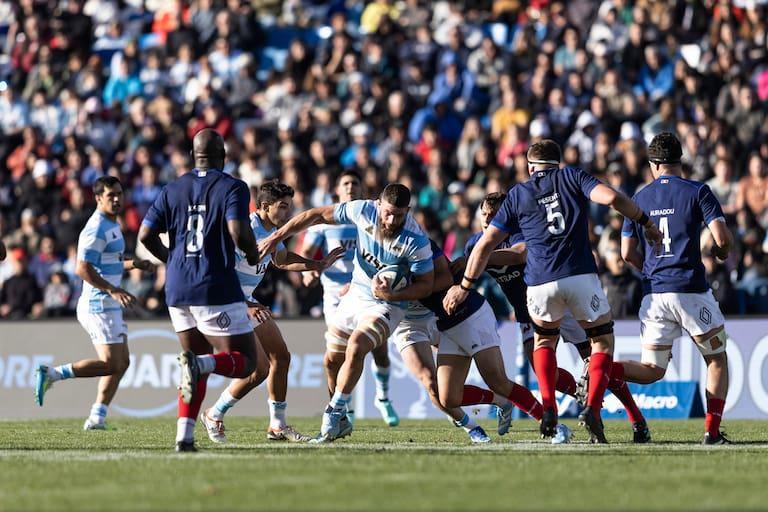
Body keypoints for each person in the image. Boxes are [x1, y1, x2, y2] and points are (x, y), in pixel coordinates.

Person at [444, 139, 661, 444]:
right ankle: (584, 402)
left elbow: (517, 253)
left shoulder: (515, 207)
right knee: (599, 349)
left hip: (542, 291)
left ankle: (631, 416)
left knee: (576, 355)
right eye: (484, 220)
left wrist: (467, 277)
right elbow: (610, 197)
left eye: (491, 220)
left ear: (530, 167)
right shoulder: (571, 177)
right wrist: (645, 221)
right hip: (566, 286)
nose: (487, 224)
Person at [259, 184, 434, 442]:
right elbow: (317, 215)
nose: (391, 220)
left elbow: (426, 284)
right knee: (331, 361)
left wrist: (392, 295)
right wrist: (277, 237)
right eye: (387, 213)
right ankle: (340, 420)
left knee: (357, 345)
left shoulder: (415, 240)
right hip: (356, 294)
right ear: (378, 204)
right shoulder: (363, 210)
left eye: (399, 215)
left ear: (408, 211)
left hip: (388, 304)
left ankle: (333, 412)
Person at [138, 129, 262, 452]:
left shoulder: (172, 188)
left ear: (194, 156)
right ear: (224, 156)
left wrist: (172, 260)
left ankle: (184, 437)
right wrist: (252, 253)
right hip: (214, 285)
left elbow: (145, 235)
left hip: (177, 288)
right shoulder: (233, 186)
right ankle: (203, 365)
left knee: (193, 362)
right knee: (247, 362)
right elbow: (238, 230)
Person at [200, 181, 344, 443]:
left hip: (246, 301)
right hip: (228, 301)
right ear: (265, 206)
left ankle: (277, 426)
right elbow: (219, 274)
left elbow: (282, 260)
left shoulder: (273, 231)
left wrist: (317, 263)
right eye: (284, 206)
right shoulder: (243, 230)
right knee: (260, 369)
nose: (289, 213)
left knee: (282, 357)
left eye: (290, 206)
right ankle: (214, 413)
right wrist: (244, 306)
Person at [620, 132, 733, 445]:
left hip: (655, 294)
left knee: (652, 370)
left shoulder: (638, 198)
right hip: (691, 290)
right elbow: (722, 240)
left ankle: (604, 370)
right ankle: (711, 432)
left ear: (654, 165)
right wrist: (721, 255)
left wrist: (651, 271)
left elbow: (626, 253)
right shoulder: (698, 191)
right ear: (679, 160)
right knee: (716, 359)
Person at [405, 239, 568, 443]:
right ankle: (500, 401)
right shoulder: (385, 255)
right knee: (447, 398)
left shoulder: (419, 243)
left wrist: (402, 291)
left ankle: (554, 426)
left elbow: (445, 279)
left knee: (497, 380)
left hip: (471, 314)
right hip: (447, 326)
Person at [34, 176, 156, 431]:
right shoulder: (96, 227)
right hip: (97, 304)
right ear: (98, 198)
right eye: (110, 195)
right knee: (112, 364)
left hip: (107, 302)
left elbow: (106, 263)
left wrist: (135, 264)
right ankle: (52, 374)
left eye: (119, 194)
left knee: (122, 364)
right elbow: (82, 268)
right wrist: (112, 290)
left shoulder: (113, 224)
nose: (116, 199)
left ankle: (97, 417)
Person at [300, 170, 400, 426]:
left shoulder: (366, 217)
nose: (350, 187)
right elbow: (308, 252)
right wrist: (310, 270)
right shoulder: (326, 221)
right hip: (334, 292)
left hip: (366, 288)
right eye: (345, 183)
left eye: (355, 182)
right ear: (337, 189)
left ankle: (383, 397)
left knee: (378, 348)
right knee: (338, 354)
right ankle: (343, 410)